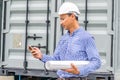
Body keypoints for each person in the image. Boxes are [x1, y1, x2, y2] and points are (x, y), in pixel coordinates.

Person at [29, 2, 101, 80]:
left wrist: (79, 71)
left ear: (72, 16)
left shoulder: (86, 37)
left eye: (63, 19)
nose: (61, 22)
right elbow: (56, 61)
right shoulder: (64, 39)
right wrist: (41, 56)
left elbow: (96, 62)